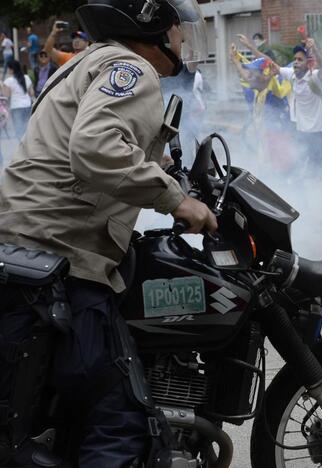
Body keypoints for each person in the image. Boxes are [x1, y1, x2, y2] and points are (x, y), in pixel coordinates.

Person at [0, 1, 216, 466]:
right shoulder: (131, 67)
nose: (182, 40)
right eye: (179, 29)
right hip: (60, 258)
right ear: (153, 24)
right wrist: (177, 200)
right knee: (124, 423)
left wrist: (163, 171)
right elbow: (94, 145)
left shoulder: (88, 60)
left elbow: (80, 145)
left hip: (29, 251)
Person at [275, 40, 322, 224]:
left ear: (308, 63)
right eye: (294, 59)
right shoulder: (292, 75)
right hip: (303, 134)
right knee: (297, 174)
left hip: (321, 133)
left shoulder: (315, 77)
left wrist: (315, 49)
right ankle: (304, 213)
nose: (295, 62)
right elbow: (272, 65)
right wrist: (251, 49)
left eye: (300, 59)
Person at [1, 60, 34, 139]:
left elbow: (6, 96)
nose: (8, 70)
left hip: (16, 107)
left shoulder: (8, 81)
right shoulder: (26, 77)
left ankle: (23, 149)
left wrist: (2, 86)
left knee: (19, 131)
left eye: (9, 69)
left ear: (12, 69)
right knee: (27, 129)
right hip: (27, 106)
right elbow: (32, 93)